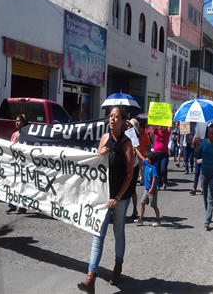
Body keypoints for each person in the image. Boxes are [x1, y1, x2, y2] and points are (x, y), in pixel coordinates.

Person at [78, 106, 134, 293]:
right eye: (110, 116)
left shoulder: (127, 144)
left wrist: (117, 197)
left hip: (121, 196)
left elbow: (129, 175)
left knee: (118, 232)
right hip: (104, 196)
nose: (112, 119)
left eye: (116, 117)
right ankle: (90, 278)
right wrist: (99, 153)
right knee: (98, 234)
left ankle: (118, 266)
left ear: (123, 121)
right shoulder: (104, 138)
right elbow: (95, 166)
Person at [194, 124, 213, 230]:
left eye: (212, 133)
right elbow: (197, 155)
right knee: (205, 194)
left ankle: (207, 219)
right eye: (209, 133)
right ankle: (208, 212)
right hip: (204, 172)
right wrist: (197, 144)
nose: (210, 135)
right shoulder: (203, 142)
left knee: (211, 195)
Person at [7, 114, 28, 214]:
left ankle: (23, 206)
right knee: (12, 183)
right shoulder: (14, 134)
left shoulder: (27, 134)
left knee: (22, 185)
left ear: (23, 122)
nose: (17, 122)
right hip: (14, 163)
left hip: (23, 164)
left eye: (19, 121)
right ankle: (12, 205)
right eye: (16, 120)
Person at [133, 150, 161, 227]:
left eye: (147, 157)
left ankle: (158, 219)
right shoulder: (147, 164)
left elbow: (154, 179)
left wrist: (152, 188)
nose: (146, 157)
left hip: (152, 190)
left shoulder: (153, 168)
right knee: (142, 202)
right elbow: (141, 157)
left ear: (150, 160)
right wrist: (136, 150)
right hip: (146, 189)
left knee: (154, 205)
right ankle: (141, 218)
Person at [126, 118, 140, 219]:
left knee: (132, 189)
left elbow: (135, 154)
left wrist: (133, 149)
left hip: (134, 166)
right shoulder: (125, 136)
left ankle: (135, 209)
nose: (128, 127)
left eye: (130, 126)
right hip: (125, 165)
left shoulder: (136, 139)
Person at [152, 125, 171, 190]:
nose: (160, 127)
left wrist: (170, 119)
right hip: (156, 153)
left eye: (161, 126)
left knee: (163, 169)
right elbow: (153, 124)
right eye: (159, 126)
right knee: (157, 169)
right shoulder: (156, 130)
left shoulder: (167, 132)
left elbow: (170, 127)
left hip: (164, 153)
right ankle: (158, 183)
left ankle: (165, 181)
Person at [138, 121, 151, 186]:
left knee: (143, 168)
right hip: (138, 154)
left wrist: (148, 154)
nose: (139, 129)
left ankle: (142, 180)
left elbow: (148, 145)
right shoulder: (138, 135)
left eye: (140, 128)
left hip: (143, 155)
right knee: (139, 168)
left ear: (143, 128)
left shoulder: (146, 136)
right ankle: (140, 178)